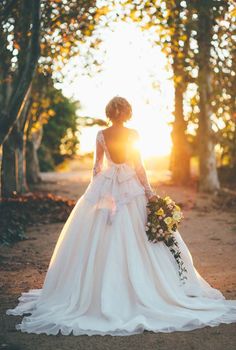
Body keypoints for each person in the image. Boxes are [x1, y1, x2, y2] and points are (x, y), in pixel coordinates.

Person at [7, 96, 236, 336]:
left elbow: (97, 167)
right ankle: (147, 289)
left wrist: (96, 191)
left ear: (109, 113)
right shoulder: (134, 134)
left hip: (107, 186)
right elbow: (139, 167)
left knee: (100, 235)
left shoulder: (101, 134)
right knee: (139, 236)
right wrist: (148, 192)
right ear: (126, 113)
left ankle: (97, 289)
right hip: (131, 187)